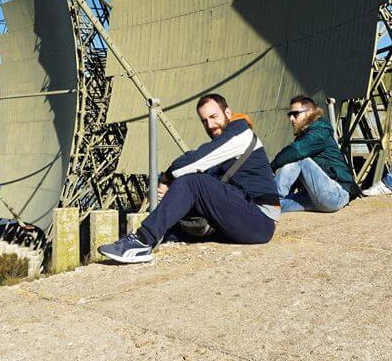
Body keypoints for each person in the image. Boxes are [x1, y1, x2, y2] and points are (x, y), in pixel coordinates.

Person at [98, 93, 279, 264]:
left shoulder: (241, 134)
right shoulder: (226, 147)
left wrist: (167, 178)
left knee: (192, 182)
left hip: (260, 221)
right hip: (243, 217)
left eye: (214, 117)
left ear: (228, 113)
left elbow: (195, 160)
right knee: (171, 229)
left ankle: (141, 242)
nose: (210, 125)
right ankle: (142, 239)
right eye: (204, 121)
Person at [270, 95, 356, 212]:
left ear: (309, 112)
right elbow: (294, 173)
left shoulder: (319, 132)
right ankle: (265, 203)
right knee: (277, 207)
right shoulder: (306, 135)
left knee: (298, 157)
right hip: (316, 196)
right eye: (290, 115)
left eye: (295, 114)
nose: (291, 118)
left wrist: (273, 166)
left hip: (336, 194)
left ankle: (270, 198)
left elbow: (297, 152)